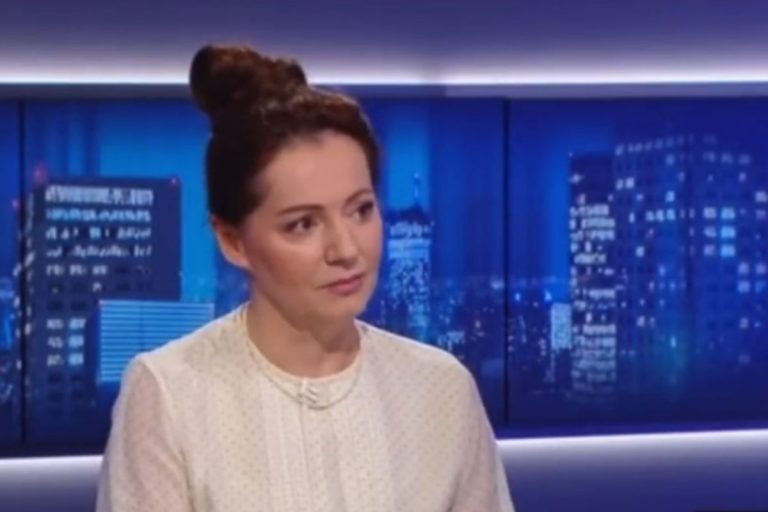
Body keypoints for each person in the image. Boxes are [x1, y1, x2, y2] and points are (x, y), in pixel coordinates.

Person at [96, 43, 514, 512]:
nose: (346, 250)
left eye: (361, 210)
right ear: (232, 240)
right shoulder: (170, 394)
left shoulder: (441, 389)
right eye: (303, 224)